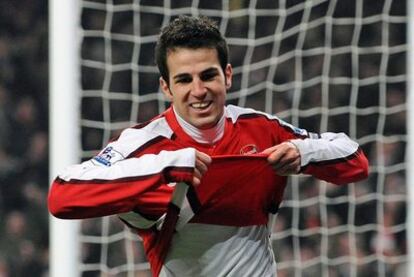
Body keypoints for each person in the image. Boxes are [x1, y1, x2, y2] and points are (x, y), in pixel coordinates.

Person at [48, 15, 369, 277]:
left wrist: (304, 153)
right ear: (166, 87)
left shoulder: (260, 129)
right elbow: (62, 194)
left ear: (227, 76)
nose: (199, 90)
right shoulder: (146, 144)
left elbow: (355, 160)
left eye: (208, 75)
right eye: (184, 80)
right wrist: (164, 165)